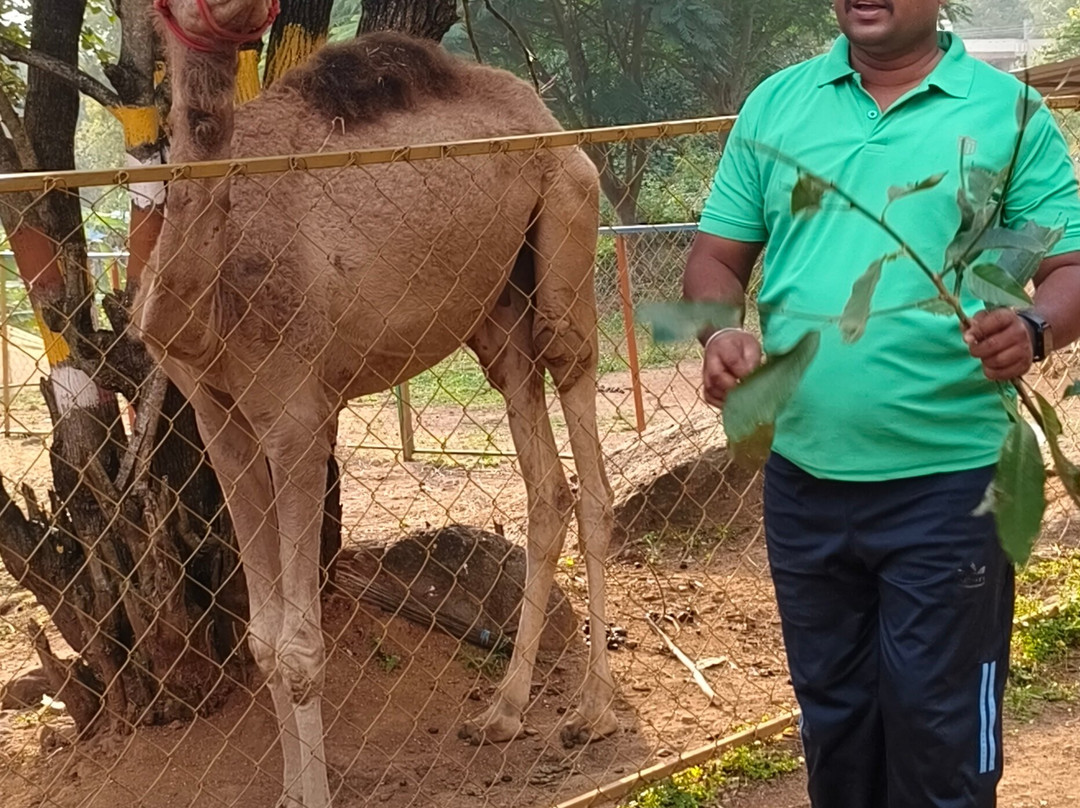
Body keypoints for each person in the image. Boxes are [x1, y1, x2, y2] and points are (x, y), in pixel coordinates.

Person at [682, 1, 1080, 806]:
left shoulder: (1007, 115)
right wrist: (719, 335)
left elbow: (1068, 267)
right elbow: (715, 261)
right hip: (804, 485)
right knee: (836, 726)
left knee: (941, 746)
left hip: (951, 489)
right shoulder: (778, 103)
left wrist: (1035, 327)